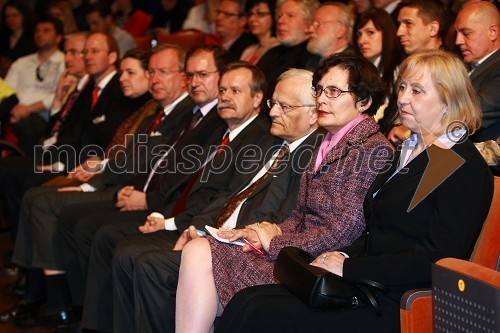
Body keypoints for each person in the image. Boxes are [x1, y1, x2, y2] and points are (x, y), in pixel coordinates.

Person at [216, 49, 494, 333]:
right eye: (402, 87)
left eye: (417, 90)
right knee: (248, 301)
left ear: (448, 100)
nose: (403, 98)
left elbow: (436, 259)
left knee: (263, 312)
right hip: (366, 283)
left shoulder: (460, 165)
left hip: (400, 302)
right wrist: (340, 256)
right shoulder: (409, 150)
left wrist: (350, 267)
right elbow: (377, 230)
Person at [175, 53, 394, 332]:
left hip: (318, 265)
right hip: (297, 251)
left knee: (201, 264)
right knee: (197, 252)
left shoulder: (373, 149)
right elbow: (300, 214)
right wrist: (261, 231)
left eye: (334, 91)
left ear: (363, 101)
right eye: (319, 90)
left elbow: (344, 231)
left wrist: (274, 242)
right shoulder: (329, 140)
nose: (322, 99)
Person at [105, 68, 324, 333]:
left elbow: (279, 220)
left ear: (314, 114)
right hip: (217, 233)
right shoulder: (275, 145)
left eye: (284, 106)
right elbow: (229, 196)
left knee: (149, 264)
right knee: (130, 252)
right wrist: (197, 229)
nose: (274, 112)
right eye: (273, 104)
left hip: (247, 248)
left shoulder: (312, 156)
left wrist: (212, 239)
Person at [3, 15, 65, 154]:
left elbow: (59, 95)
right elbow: (8, 90)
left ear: (59, 38)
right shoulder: (22, 62)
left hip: (42, 114)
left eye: (46, 30)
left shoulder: (64, 62)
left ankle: (20, 166)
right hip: (14, 110)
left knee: (29, 127)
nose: (40, 34)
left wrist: (29, 109)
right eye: (37, 31)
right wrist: (15, 110)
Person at [455, 1, 500, 142]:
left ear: (492, 32)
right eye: (457, 33)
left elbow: (475, 112)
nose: (458, 41)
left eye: (466, 33)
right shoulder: (465, 66)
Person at [306, 2, 355, 69]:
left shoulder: (353, 64)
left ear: (340, 30)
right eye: (312, 24)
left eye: (317, 24)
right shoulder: (313, 62)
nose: (310, 29)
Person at [240, 0, 279, 64]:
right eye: (250, 14)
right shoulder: (249, 50)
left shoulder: (278, 49)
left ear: (274, 16)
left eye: (260, 14)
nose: (252, 19)